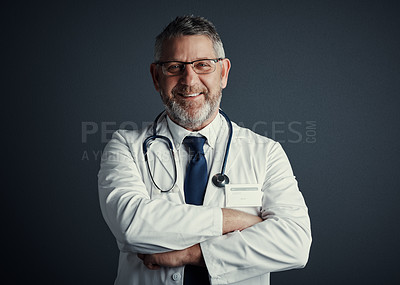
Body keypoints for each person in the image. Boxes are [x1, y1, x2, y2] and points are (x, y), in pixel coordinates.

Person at [98, 15, 311, 285]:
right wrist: (234, 219)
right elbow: (132, 225)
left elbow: (295, 244)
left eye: (202, 65)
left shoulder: (266, 152)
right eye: (174, 67)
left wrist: (191, 254)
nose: (189, 80)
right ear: (156, 76)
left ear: (223, 73)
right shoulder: (125, 146)